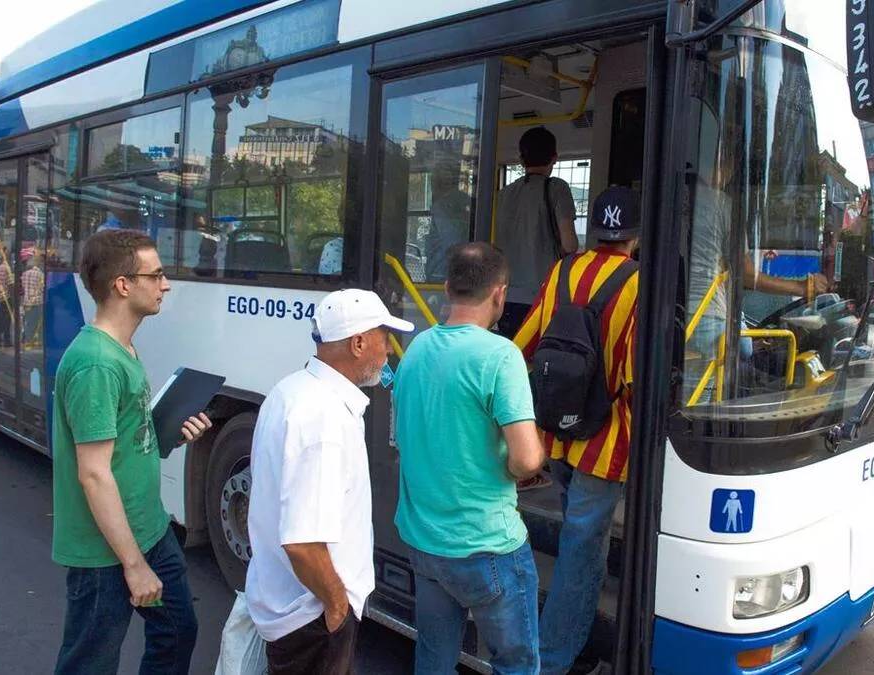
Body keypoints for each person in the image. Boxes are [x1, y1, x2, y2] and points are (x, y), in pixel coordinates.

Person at [52, 230, 212, 675]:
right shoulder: (96, 363)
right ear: (123, 285)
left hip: (150, 529)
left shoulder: (122, 348)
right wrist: (134, 566)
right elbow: (94, 474)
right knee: (89, 663)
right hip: (107, 552)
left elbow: (128, 441)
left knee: (178, 632)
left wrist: (172, 434)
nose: (166, 284)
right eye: (156, 274)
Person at [393, 242, 547, 674]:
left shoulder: (416, 349)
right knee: (516, 665)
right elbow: (527, 459)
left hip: (424, 542)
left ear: (446, 288)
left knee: (433, 662)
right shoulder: (500, 356)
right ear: (500, 294)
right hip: (486, 546)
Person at [245, 289, 413, 675]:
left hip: (292, 608)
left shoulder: (293, 389)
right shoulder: (324, 419)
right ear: (358, 343)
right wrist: (337, 606)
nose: (388, 351)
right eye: (384, 338)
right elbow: (302, 544)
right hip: (312, 618)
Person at [514, 187, 642, 675]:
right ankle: (553, 658)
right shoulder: (637, 283)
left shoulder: (563, 271)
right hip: (606, 445)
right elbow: (632, 380)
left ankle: (575, 640)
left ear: (595, 231)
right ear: (634, 236)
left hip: (556, 436)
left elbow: (523, 345)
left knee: (579, 541)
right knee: (580, 552)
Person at [495, 127, 579, 336]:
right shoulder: (558, 188)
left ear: (522, 160)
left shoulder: (504, 194)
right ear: (554, 158)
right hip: (542, 296)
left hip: (506, 297)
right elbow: (570, 245)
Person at [21, 252, 44, 347]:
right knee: (38, 322)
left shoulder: (25, 274)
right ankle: (38, 341)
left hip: (27, 301)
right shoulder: (40, 274)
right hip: (37, 301)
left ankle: (28, 340)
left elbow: (23, 286)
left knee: (29, 322)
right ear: (38, 264)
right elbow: (43, 288)